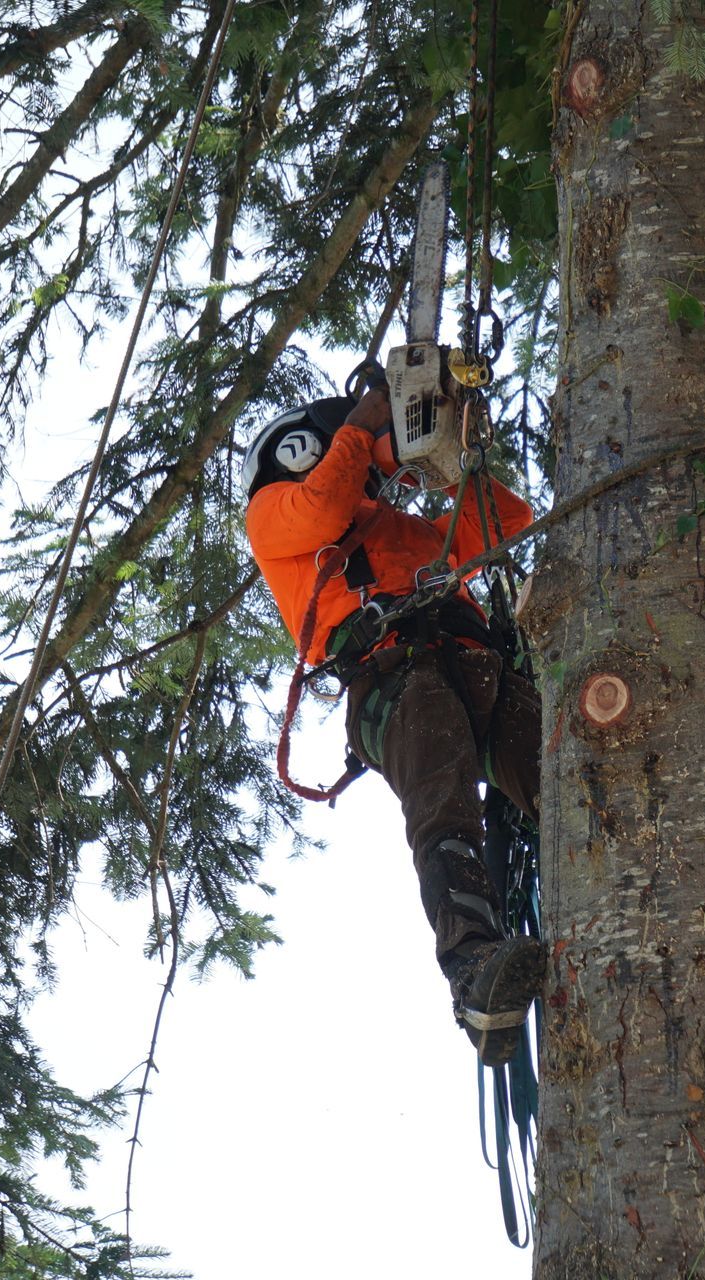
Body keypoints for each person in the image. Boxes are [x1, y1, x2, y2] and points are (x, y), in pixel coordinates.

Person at [241, 382, 544, 1065]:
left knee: (560, 771)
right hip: (394, 678)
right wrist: (362, 426)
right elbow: (322, 507)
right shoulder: (272, 513)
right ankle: (474, 972)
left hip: (474, 663)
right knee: (444, 808)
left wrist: (458, 462)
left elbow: (506, 521)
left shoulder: (398, 528)